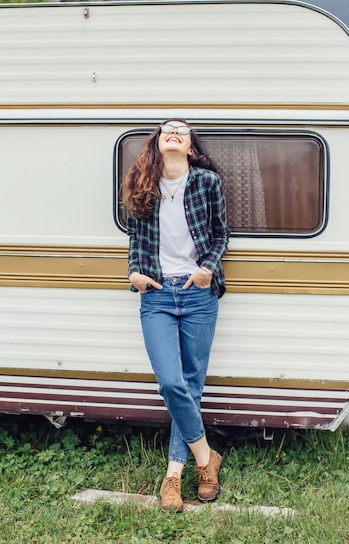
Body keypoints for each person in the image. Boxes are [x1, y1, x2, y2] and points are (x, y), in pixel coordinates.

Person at [123, 118, 229, 511]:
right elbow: (135, 236)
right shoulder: (142, 184)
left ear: (189, 146)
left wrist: (208, 269)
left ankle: (173, 475)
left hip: (198, 292)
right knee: (171, 383)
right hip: (157, 294)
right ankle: (206, 458)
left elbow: (221, 234)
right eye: (167, 128)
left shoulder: (206, 183)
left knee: (190, 385)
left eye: (182, 130)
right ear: (158, 142)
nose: (174, 131)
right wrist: (134, 273)